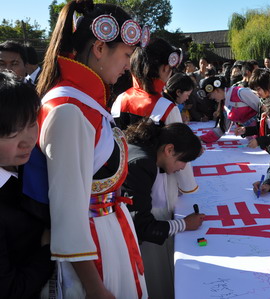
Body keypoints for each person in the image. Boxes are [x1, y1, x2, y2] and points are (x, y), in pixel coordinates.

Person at [25, 1, 148, 297]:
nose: (129, 65)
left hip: (108, 233)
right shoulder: (67, 109)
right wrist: (94, 286)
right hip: (91, 252)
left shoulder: (86, 103)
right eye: (127, 55)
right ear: (99, 48)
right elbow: (67, 212)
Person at [122, 119, 204, 299]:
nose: (182, 168)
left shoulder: (146, 152)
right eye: (183, 161)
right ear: (169, 150)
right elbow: (142, 227)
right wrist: (183, 224)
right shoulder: (141, 164)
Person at [0, 71, 54, 298]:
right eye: (12, 133)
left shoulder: (33, 165)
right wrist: (47, 251)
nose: (28, 140)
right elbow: (10, 290)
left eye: (32, 124)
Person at [198, 75, 260, 143]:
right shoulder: (225, 103)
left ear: (217, 90)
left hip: (262, 133)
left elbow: (263, 109)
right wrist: (201, 138)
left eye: (210, 95)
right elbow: (221, 128)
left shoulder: (240, 92)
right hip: (251, 138)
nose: (210, 98)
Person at [235, 68, 270, 155]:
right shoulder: (262, 103)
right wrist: (245, 130)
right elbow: (260, 128)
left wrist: (260, 141)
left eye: (259, 89)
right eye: (255, 90)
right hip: (267, 150)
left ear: (268, 85)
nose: (257, 93)